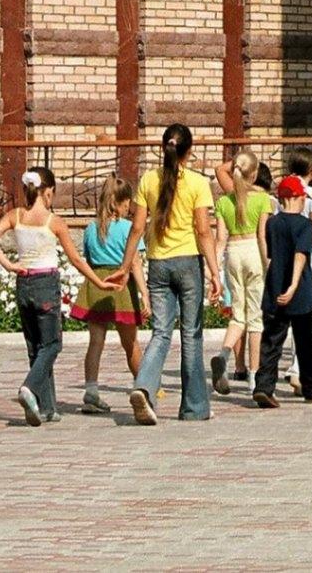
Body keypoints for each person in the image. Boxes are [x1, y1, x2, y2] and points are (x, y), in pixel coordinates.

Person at [0, 164, 93, 424]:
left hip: (24, 283)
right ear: (48, 192)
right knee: (52, 344)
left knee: (36, 348)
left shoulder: (16, 216)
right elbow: (76, 259)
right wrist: (97, 281)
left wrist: (9, 264)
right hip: (45, 283)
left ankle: (47, 407)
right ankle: (29, 388)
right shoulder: (53, 222)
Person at [130, 121, 222, 425]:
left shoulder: (147, 180)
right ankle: (194, 407)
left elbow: (138, 227)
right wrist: (214, 272)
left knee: (160, 332)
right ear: (189, 150)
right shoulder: (197, 183)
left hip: (157, 263)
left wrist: (125, 265)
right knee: (192, 334)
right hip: (188, 263)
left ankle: (144, 386)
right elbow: (203, 230)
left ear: (163, 148)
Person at [73, 171, 147, 416]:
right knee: (130, 343)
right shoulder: (128, 228)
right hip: (121, 287)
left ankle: (91, 390)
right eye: (127, 204)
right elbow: (135, 262)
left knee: (96, 342)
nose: (129, 209)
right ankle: (143, 385)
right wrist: (144, 293)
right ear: (118, 203)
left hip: (96, 285)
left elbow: (88, 257)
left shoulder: (91, 228)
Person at [252, 173, 312, 408]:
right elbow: (300, 254)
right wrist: (294, 285)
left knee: (271, 342)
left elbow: (272, 254)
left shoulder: (273, 223)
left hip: (274, 289)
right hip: (299, 292)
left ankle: (264, 387)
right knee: (305, 343)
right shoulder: (307, 225)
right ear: (296, 197)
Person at [212, 151, 274, 397]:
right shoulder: (263, 200)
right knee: (256, 319)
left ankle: (224, 355)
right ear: (256, 173)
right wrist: (267, 264)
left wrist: (214, 272)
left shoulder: (224, 201)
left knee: (238, 316)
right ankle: (253, 376)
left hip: (232, 253)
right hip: (252, 252)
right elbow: (262, 236)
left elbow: (219, 240)